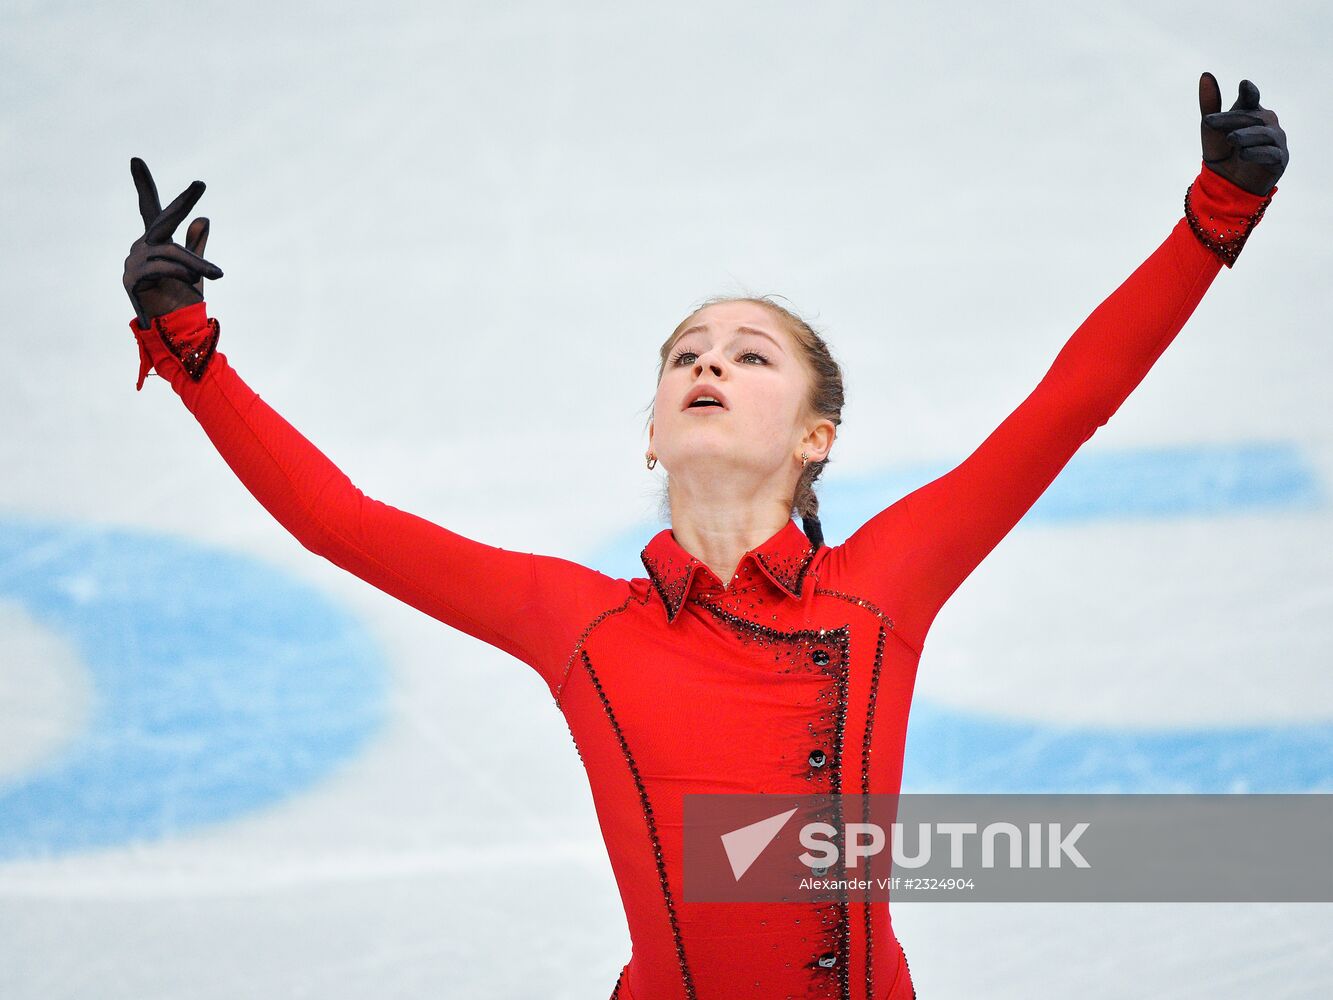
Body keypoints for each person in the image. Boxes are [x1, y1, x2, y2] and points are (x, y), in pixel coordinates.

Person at [120, 72, 1287, 1000]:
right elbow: (341, 522)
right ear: (649, 435)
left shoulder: (883, 587)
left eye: (747, 352)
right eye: (685, 353)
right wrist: (188, 346)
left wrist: (1210, 220)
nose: (708, 363)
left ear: (816, 436)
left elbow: (1064, 407)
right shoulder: (580, 625)